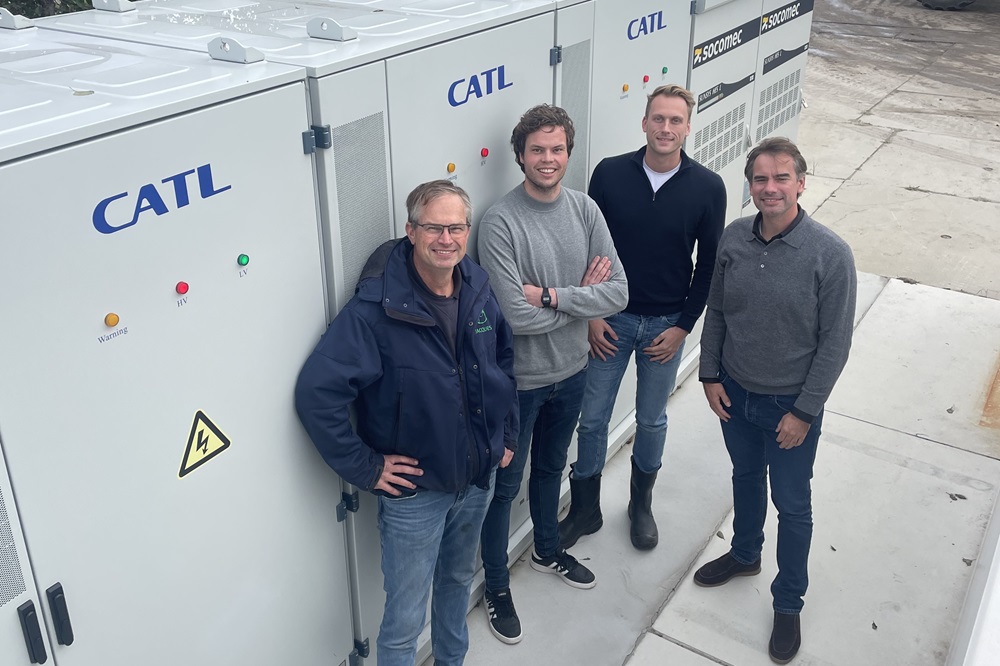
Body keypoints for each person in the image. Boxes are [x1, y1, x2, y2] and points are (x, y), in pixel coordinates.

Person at [294, 180, 518, 666]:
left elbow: (502, 361)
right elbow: (317, 393)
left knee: (457, 583)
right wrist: (367, 467)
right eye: (434, 228)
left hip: (476, 480)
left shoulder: (476, 286)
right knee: (405, 619)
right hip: (417, 494)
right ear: (411, 231)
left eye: (456, 227)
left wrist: (505, 434)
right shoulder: (375, 309)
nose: (446, 239)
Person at [694, 137, 856, 664]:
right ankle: (745, 554)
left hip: (790, 406)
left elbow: (835, 343)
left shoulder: (830, 254)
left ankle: (788, 602)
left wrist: (804, 412)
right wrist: (710, 374)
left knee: (792, 505)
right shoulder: (734, 238)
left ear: (801, 184)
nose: (770, 188)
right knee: (744, 478)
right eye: (760, 179)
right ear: (750, 186)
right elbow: (717, 311)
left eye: (781, 177)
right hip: (734, 394)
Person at [475, 104, 628, 645]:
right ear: (520, 156)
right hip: (520, 384)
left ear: (568, 153)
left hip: (573, 370)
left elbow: (619, 292)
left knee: (549, 470)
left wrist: (552, 296)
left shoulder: (585, 210)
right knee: (503, 487)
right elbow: (514, 317)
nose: (548, 158)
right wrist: (583, 301)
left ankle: (546, 550)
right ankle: (496, 586)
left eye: (557, 149)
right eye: (537, 149)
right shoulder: (499, 222)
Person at [560, 84, 726, 552]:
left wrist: (683, 327)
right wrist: (591, 314)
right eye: (658, 118)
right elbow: (587, 248)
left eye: (675, 120)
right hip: (609, 321)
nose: (665, 128)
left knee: (652, 421)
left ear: (687, 128)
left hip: (665, 326)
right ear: (644, 123)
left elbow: (709, 265)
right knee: (592, 420)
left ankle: (640, 505)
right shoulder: (610, 174)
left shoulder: (708, 188)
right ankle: (585, 509)